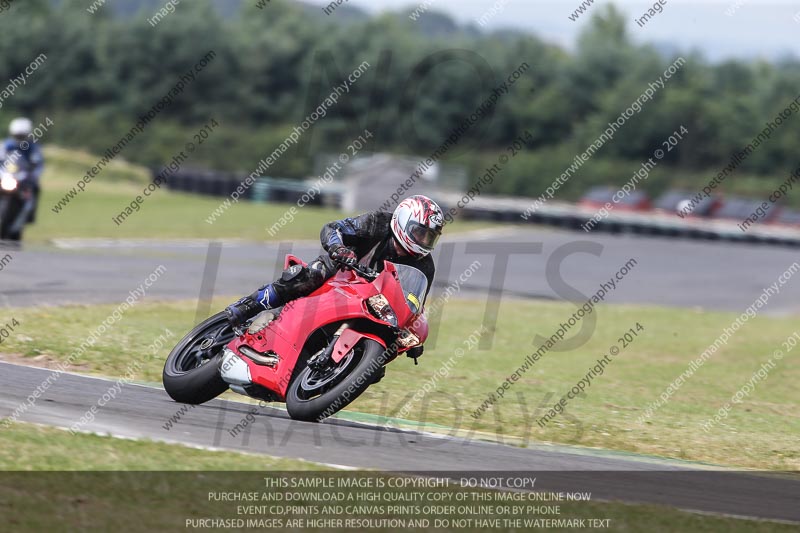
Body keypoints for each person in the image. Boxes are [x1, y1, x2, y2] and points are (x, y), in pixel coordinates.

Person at [225, 194, 445, 362]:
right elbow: (333, 228)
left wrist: (412, 336)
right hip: (341, 273)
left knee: (382, 358)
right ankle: (247, 306)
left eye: (430, 237)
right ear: (403, 221)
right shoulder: (377, 223)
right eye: (420, 233)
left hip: (373, 304)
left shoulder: (425, 266)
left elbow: (414, 305)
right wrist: (338, 248)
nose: (424, 241)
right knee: (313, 274)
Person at [1, 118, 44, 223]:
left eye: (22, 136)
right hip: (6, 176)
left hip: (24, 179)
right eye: (17, 136)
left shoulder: (33, 148)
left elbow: (38, 165)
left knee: (36, 189)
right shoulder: (5, 146)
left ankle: (30, 215)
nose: (19, 138)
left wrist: (32, 175)